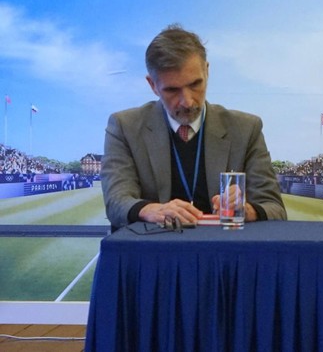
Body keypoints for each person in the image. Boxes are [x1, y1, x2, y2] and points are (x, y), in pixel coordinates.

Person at [101, 24, 286, 230]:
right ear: (152, 85)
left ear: (207, 71)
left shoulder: (246, 129)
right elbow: (117, 202)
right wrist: (151, 210)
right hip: (156, 253)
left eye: (195, 84)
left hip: (226, 254)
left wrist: (246, 210)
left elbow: (275, 208)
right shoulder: (124, 127)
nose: (187, 101)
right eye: (172, 90)